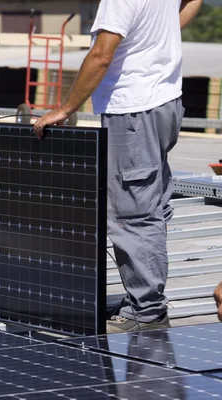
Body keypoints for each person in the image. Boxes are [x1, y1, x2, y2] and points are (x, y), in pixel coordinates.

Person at [33, 0, 203, 333]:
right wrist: (161, 41)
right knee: (151, 201)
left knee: (133, 213)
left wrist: (65, 109)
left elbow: (100, 55)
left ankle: (147, 311)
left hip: (134, 109)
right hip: (165, 101)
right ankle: (142, 298)